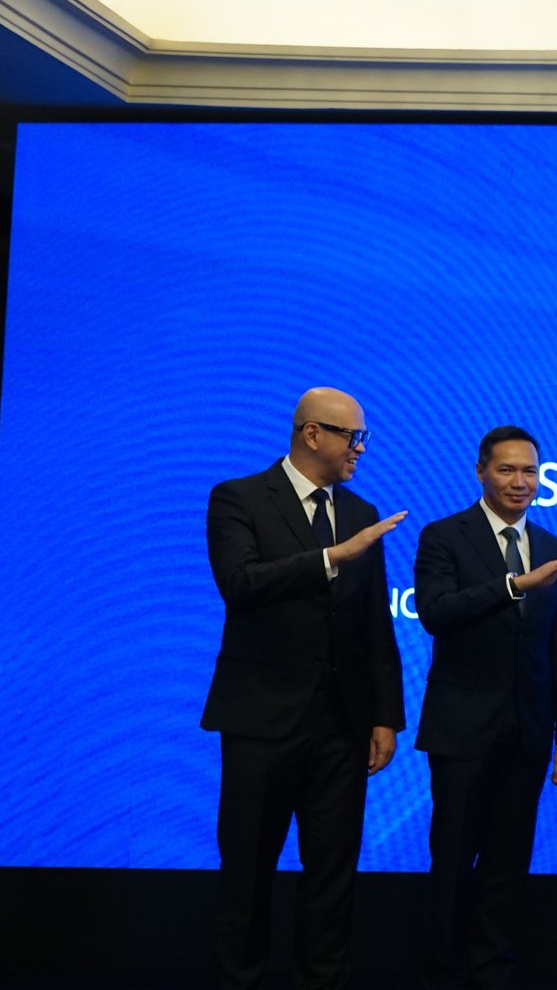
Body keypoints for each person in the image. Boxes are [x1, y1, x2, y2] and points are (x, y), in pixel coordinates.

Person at [202, 386, 407, 989]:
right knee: (246, 874)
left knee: (331, 877)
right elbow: (240, 584)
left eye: (362, 437)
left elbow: (375, 622)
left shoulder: (362, 513)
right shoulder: (238, 498)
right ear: (311, 434)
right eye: (352, 436)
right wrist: (330, 557)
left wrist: (385, 717)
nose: (360, 450)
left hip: (341, 727)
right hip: (261, 723)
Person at [413, 425, 557, 989]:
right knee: (454, 861)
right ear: (481, 471)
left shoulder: (556, 549)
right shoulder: (444, 536)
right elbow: (437, 612)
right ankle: (444, 971)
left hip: (529, 734)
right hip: (461, 732)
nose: (520, 482)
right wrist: (512, 585)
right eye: (507, 470)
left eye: (530, 471)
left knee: (509, 863)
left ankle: (490, 972)